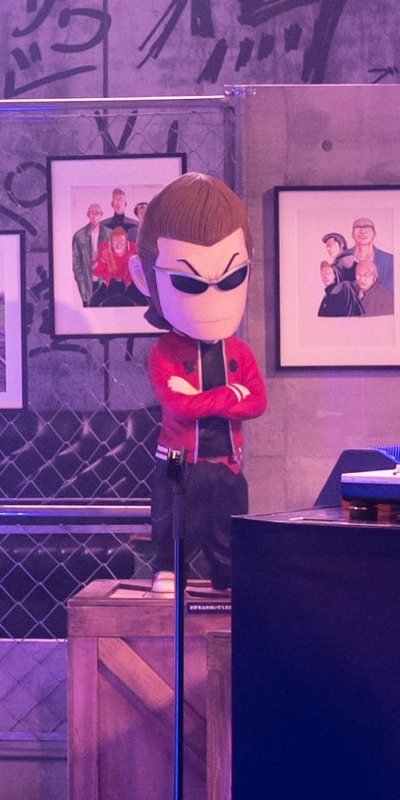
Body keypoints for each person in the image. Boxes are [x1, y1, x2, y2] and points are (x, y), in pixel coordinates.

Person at [140, 175, 264, 587]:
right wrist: (230, 394)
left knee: (229, 519)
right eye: (187, 282)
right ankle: (166, 567)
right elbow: (179, 405)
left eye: (231, 278)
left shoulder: (238, 350)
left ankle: (228, 575)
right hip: (178, 456)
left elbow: (257, 402)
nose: (213, 300)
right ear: (144, 279)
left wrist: (206, 397)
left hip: (227, 457)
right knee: (174, 515)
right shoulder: (164, 352)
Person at [346, 216, 400, 317]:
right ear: (352, 234)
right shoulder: (342, 260)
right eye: (358, 227)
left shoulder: (389, 261)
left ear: (374, 234)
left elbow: (392, 296)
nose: (363, 231)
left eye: (367, 227)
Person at [316, 232, 362, 316]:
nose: (329, 249)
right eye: (327, 247)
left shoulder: (346, 261)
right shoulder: (341, 261)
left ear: (341, 245)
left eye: (331, 246)